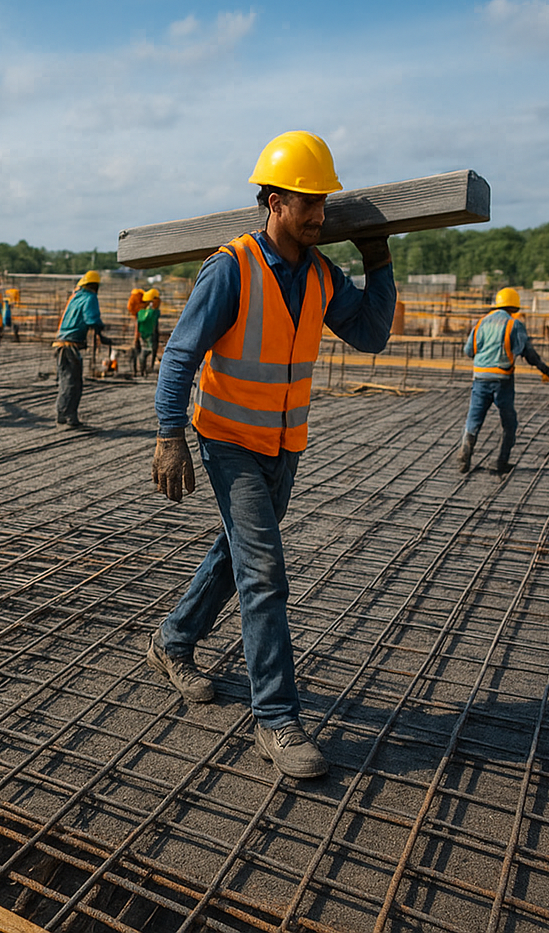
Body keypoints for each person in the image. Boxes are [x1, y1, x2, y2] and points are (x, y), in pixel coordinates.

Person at [147, 130, 396, 779]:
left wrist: (379, 261)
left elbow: (369, 335)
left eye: (323, 200)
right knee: (264, 572)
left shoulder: (319, 274)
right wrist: (170, 433)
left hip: (284, 446)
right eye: (306, 200)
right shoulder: (232, 266)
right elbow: (180, 353)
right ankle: (277, 720)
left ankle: (172, 641)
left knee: (235, 556)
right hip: (228, 441)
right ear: (273, 201)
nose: (319, 212)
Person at [459, 287, 549, 475]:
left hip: (479, 378)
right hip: (502, 380)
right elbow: (528, 353)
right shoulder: (514, 325)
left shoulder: (481, 323)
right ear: (514, 306)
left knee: (473, 419)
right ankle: (501, 462)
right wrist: (546, 370)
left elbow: (468, 351)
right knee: (509, 423)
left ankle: (465, 452)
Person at [53, 270, 113, 428]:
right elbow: (91, 318)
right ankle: (69, 415)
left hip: (62, 344)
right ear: (95, 285)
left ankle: (63, 414)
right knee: (72, 382)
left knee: (67, 380)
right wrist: (100, 329)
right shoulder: (90, 297)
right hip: (69, 346)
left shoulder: (75, 297)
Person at [135, 288, 163, 375]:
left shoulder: (141, 312)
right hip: (151, 334)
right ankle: (146, 369)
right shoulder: (154, 312)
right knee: (149, 351)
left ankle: (142, 370)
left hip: (143, 334)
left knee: (145, 350)